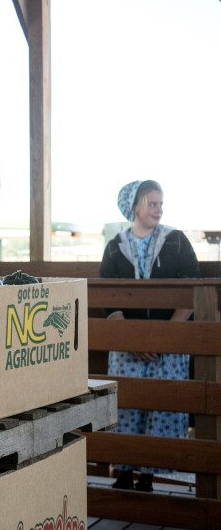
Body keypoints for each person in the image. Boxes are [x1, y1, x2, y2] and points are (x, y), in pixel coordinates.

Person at [101, 180, 200, 493]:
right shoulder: (115, 246)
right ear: (135, 208)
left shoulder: (177, 241)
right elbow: (107, 296)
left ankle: (148, 476)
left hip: (168, 345)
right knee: (126, 405)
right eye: (153, 204)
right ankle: (124, 472)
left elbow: (192, 286)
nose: (159, 209)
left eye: (160, 204)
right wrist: (133, 338)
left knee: (161, 407)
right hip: (127, 345)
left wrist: (162, 336)